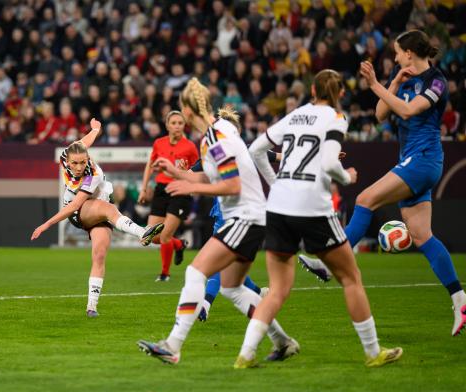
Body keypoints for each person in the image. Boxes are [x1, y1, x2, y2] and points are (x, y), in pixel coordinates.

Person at [298, 30, 466, 337]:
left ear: (411, 52)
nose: (396, 57)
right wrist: (392, 83)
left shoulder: (436, 81)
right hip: (415, 160)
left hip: (424, 158)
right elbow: (379, 114)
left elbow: (408, 110)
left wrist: (375, 85)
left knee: (364, 199)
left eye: (398, 52)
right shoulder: (400, 76)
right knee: (421, 235)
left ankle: (329, 262)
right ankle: (460, 299)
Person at [244, 69, 402, 368]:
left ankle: (245, 354)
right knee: (351, 277)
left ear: (312, 90)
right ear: (340, 93)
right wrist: (347, 176)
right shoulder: (337, 118)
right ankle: (372, 352)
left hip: (278, 205)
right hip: (311, 207)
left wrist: (276, 182)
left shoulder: (295, 115)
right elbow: (330, 162)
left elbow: (256, 149)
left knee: (277, 289)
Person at [137, 78, 298, 365]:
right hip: (250, 217)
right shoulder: (220, 131)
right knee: (231, 287)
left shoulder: (214, 138)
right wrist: (178, 173)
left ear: (187, 111)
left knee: (196, 272)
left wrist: (190, 187)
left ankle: (173, 346)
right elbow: (212, 176)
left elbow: (232, 185)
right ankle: (283, 342)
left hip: (244, 217)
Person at [31, 119, 164, 318]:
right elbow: (75, 205)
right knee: (109, 208)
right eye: (74, 163)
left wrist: (96, 130)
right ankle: (142, 232)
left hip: (97, 212)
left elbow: (85, 147)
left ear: (88, 159)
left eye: (83, 162)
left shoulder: (94, 174)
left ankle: (91, 306)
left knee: (100, 254)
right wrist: (95, 129)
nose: (78, 167)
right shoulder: (67, 156)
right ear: (67, 159)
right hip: (77, 212)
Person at [197, 149, 282, 322]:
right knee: (229, 266)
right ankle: (259, 293)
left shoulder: (244, 149)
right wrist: (179, 170)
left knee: (216, 262)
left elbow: (277, 156)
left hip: (240, 213)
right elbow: (192, 172)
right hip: (226, 212)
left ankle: (205, 304)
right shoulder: (213, 151)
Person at [138, 110, 199, 282]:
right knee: (151, 236)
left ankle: (165, 273)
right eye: (174, 123)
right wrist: (143, 189)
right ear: (167, 125)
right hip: (161, 190)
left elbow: (198, 169)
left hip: (180, 191)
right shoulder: (159, 143)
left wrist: (191, 182)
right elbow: (150, 166)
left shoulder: (190, 146)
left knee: (164, 236)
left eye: (180, 123)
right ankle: (179, 244)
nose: (177, 126)